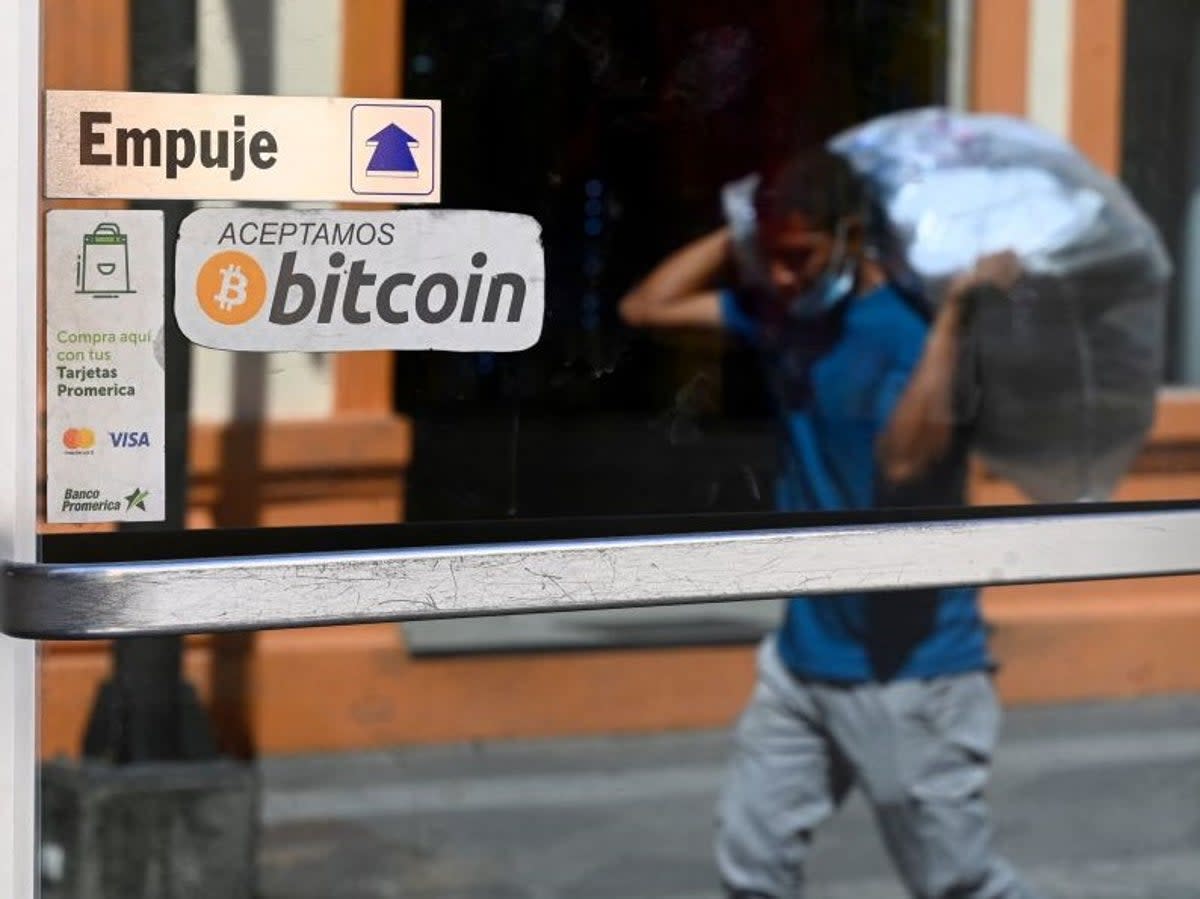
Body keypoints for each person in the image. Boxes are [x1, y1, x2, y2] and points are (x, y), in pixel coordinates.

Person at [619, 149, 1040, 899]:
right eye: (770, 259)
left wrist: (955, 313)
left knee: (960, 885)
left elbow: (907, 462)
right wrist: (739, 231)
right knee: (752, 867)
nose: (782, 277)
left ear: (851, 236)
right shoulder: (785, 314)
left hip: (913, 671)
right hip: (804, 658)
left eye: (800, 257)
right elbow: (644, 308)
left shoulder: (913, 330)